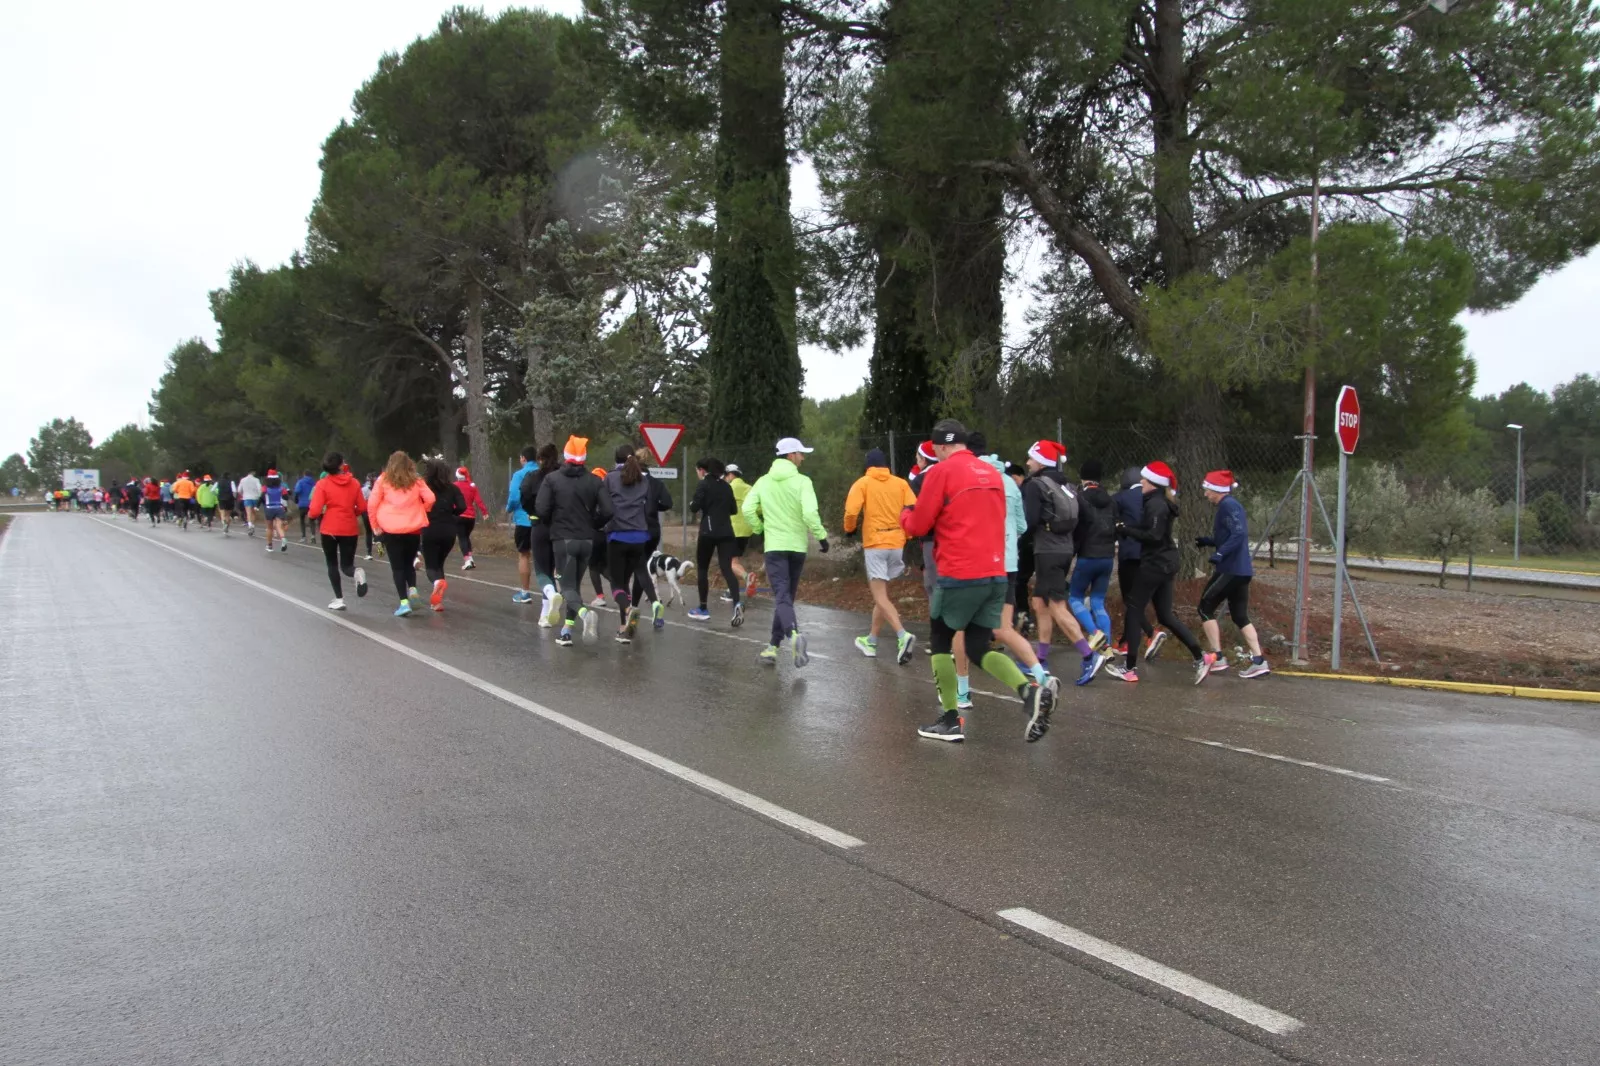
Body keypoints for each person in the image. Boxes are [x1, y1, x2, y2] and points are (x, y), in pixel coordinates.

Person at [900, 420, 1056, 744]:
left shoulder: (940, 473)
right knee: (977, 646)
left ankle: (949, 719)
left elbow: (918, 524)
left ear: (941, 447)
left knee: (941, 642)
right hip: (996, 573)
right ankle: (1028, 691)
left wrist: (905, 513)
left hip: (958, 573)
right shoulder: (994, 476)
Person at [969, 432, 1058, 702]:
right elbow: (1021, 526)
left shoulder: (971, 478)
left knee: (960, 629)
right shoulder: (1008, 481)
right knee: (1003, 628)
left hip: (980, 563)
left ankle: (960, 696)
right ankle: (1042, 676)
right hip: (1008, 562)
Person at [1104, 462, 1211, 684]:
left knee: (1134, 609)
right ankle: (1201, 657)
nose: (1140, 482)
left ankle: (1130, 667)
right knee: (1165, 615)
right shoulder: (1158, 502)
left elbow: (1153, 535)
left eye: (1144, 479)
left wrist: (1125, 530)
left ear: (1154, 484)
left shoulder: (1156, 505)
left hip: (1155, 563)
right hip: (1166, 562)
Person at [1021, 441, 1106, 686]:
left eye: (1031, 458)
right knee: (1040, 603)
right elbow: (1087, 519)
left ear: (1041, 462)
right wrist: (1072, 543)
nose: (1027, 463)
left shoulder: (1035, 485)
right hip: (1063, 550)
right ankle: (1041, 659)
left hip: (1046, 552)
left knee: (1057, 606)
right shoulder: (1067, 485)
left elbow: (1030, 521)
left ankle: (1090, 655)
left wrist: (1017, 541)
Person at [742, 437, 828, 667]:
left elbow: (747, 508)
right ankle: (773, 647)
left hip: (774, 547)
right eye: (800, 453)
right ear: (790, 455)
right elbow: (810, 513)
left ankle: (792, 636)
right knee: (786, 598)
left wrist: (760, 528)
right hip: (796, 548)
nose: (803, 457)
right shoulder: (803, 482)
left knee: (782, 598)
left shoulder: (763, 481)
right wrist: (821, 536)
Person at [535, 436, 613, 647]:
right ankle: (567, 630)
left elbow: (541, 509)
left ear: (566, 456)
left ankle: (585, 614)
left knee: (565, 584)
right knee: (574, 585)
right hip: (586, 540)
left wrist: (552, 521)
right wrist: (594, 523)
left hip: (563, 539)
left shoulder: (552, 479)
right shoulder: (595, 481)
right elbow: (608, 510)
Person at [842, 447, 916, 663]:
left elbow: (851, 512)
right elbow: (913, 507)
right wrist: (908, 534)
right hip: (897, 543)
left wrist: (849, 529)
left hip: (875, 544)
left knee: (880, 596)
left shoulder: (863, 483)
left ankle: (903, 636)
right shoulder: (901, 483)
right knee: (882, 596)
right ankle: (871, 641)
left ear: (868, 467)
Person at [1196, 470, 1270, 679]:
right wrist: (1210, 542)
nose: (1205, 494)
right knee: (1239, 616)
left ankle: (1218, 658)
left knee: (1204, 608)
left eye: (1207, 489)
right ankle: (1259, 660)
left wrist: (1220, 553)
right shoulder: (1228, 506)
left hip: (1230, 570)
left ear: (1217, 490)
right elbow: (1230, 535)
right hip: (1242, 570)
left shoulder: (1228, 505)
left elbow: (1239, 533)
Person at [603, 445, 666, 644]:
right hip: (640, 537)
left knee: (616, 582)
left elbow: (603, 506)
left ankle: (629, 610)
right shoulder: (643, 480)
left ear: (616, 459)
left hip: (618, 535)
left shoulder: (610, 478)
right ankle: (624, 629)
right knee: (628, 579)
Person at [367, 451, 434, 617]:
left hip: (391, 529)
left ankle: (404, 603)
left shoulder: (383, 480)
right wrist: (423, 510)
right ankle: (413, 589)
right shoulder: (416, 480)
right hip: (412, 528)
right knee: (409, 562)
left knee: (397, 567)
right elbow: (431, 498)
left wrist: (375, 527)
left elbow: (372, 505)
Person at [1067, 459, 1118, 679]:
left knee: (1075, 598)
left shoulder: (1081, 498)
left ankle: (1096, 634)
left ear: (1083, 477)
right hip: (1107, 557)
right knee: (1097, 601)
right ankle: (1106, 648)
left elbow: (1077, 527)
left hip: (1088, 555)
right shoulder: (1111, 500)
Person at [687, 457, 744, 626]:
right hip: (727, 531)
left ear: (703, 470)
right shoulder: (727, 486)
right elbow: (733, 510)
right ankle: (737, 603)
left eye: (698, 470)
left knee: (703, 569)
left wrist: (698, 502)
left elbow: (694, 507)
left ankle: (703, 608)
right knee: (727, 568)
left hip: (708, 532)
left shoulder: (704, 484)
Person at [308, 452, 368, 611]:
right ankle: (357, 572)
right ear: (341, 465)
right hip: (349, 528)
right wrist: (350, 513)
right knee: (347, 566)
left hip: (330, 529)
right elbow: (362, 507)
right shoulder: (354, 483)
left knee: (332, 564)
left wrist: (315, 515)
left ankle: (339, 599)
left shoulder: (322, 484)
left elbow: (314, 511)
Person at [1112, 466, 1161, 659]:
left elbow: (1114, 523)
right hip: (1148, 554)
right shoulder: (1150, 497)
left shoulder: (1120, 498)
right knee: (1138, 600)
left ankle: (1151, 633)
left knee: (1130, 601)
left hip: (1129, 554)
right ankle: (1126, 641)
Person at [517, 445, 563, 626]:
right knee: (556, 568)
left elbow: (524, 497)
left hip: (538, 525)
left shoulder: (532, 477)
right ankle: (547, 613)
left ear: (540, 459)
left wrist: (532, 512)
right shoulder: (562, 476)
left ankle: (549, 599)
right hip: (560, 526)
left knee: (542, 569)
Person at [628, 448, 673, 627]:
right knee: (642, 569)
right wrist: (654, 508)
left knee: (638, 570)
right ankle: (636, 606)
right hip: (653, 530)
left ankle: (642, 606)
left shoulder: (631, 481)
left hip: (636, 529)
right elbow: (668, 503)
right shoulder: (656, 483)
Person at [420, 459, 465, 612]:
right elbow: (462, 507)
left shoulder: (425, 488)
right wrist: (452, 514)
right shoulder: (453, 489)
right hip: (449, 530)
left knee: (431, 566)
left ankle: (436, 583)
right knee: (440, 564)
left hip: (430, 528)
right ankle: (437, 602)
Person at [506, 446, 540, 604]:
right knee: (547, 556)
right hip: (542, 520)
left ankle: (525, 592)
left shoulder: (519, 475)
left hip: (523, 519)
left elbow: (514, 496)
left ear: (523, 458)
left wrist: (509, 508)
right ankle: (551, 591)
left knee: (524, 554)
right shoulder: (544, 473)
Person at [724, 463, 757, 600]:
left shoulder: (727, 488)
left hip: (731, 530)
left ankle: (746, 577)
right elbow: (758, 508)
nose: (725, 479)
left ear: (730, 475)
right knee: (734, 560)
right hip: (746, 531)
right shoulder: (750, 489)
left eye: (725, 476)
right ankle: (730, 590)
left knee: (730, 563)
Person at [454, 466, 489, 570]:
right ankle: (471, 558)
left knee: (462, 538)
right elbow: (478, 500)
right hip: (471, 517)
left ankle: (467, 559)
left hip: (459, 515)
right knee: (466, 537)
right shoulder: (472, 486)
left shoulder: (454, 486)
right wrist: (484, 512)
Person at [587, 465, 610, 607]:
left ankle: (600, 596)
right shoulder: (608, 494)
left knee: (593, 566)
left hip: (594, 534)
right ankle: (621, 588)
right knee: (603, 566)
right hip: (607, 534)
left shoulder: (591, 494)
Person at [261, 470, 291, 552]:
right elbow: (286, 497)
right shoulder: (282, 488)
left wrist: (258, 506)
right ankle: (283, 538)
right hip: (279, 508)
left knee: (269, 528)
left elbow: (262, 497)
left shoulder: (265, 488)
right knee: (279, 526)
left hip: (269, 508)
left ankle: (270, 546)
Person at [293, 470, 318, 543]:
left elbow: (297, 491)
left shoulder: (300, 482)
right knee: (312, 520)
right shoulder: (314, 483)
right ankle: (313, 536)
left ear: (304, 474)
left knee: (302, 520)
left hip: (302, 504)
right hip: (311, 504)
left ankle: (303, 536)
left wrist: (296, 499)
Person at [237, 470, 262, 535]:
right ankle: (253, 525)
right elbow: (259, 488)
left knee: (248, 513)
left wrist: (243, 495)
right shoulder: (256, 480)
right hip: (255, 498)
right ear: (253, 472)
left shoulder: (243, 480)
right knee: (254, 513)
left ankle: (250, 525)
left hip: (247, 498)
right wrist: (259, 496)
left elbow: (239, 490)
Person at [360, 473, 378, 559]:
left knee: (368, 532)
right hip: (377, 513)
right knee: (377, 532)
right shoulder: (378, 490)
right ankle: (380, 549)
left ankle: (369, 553)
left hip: (367, 513)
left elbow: (362, 502)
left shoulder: (364, 490)